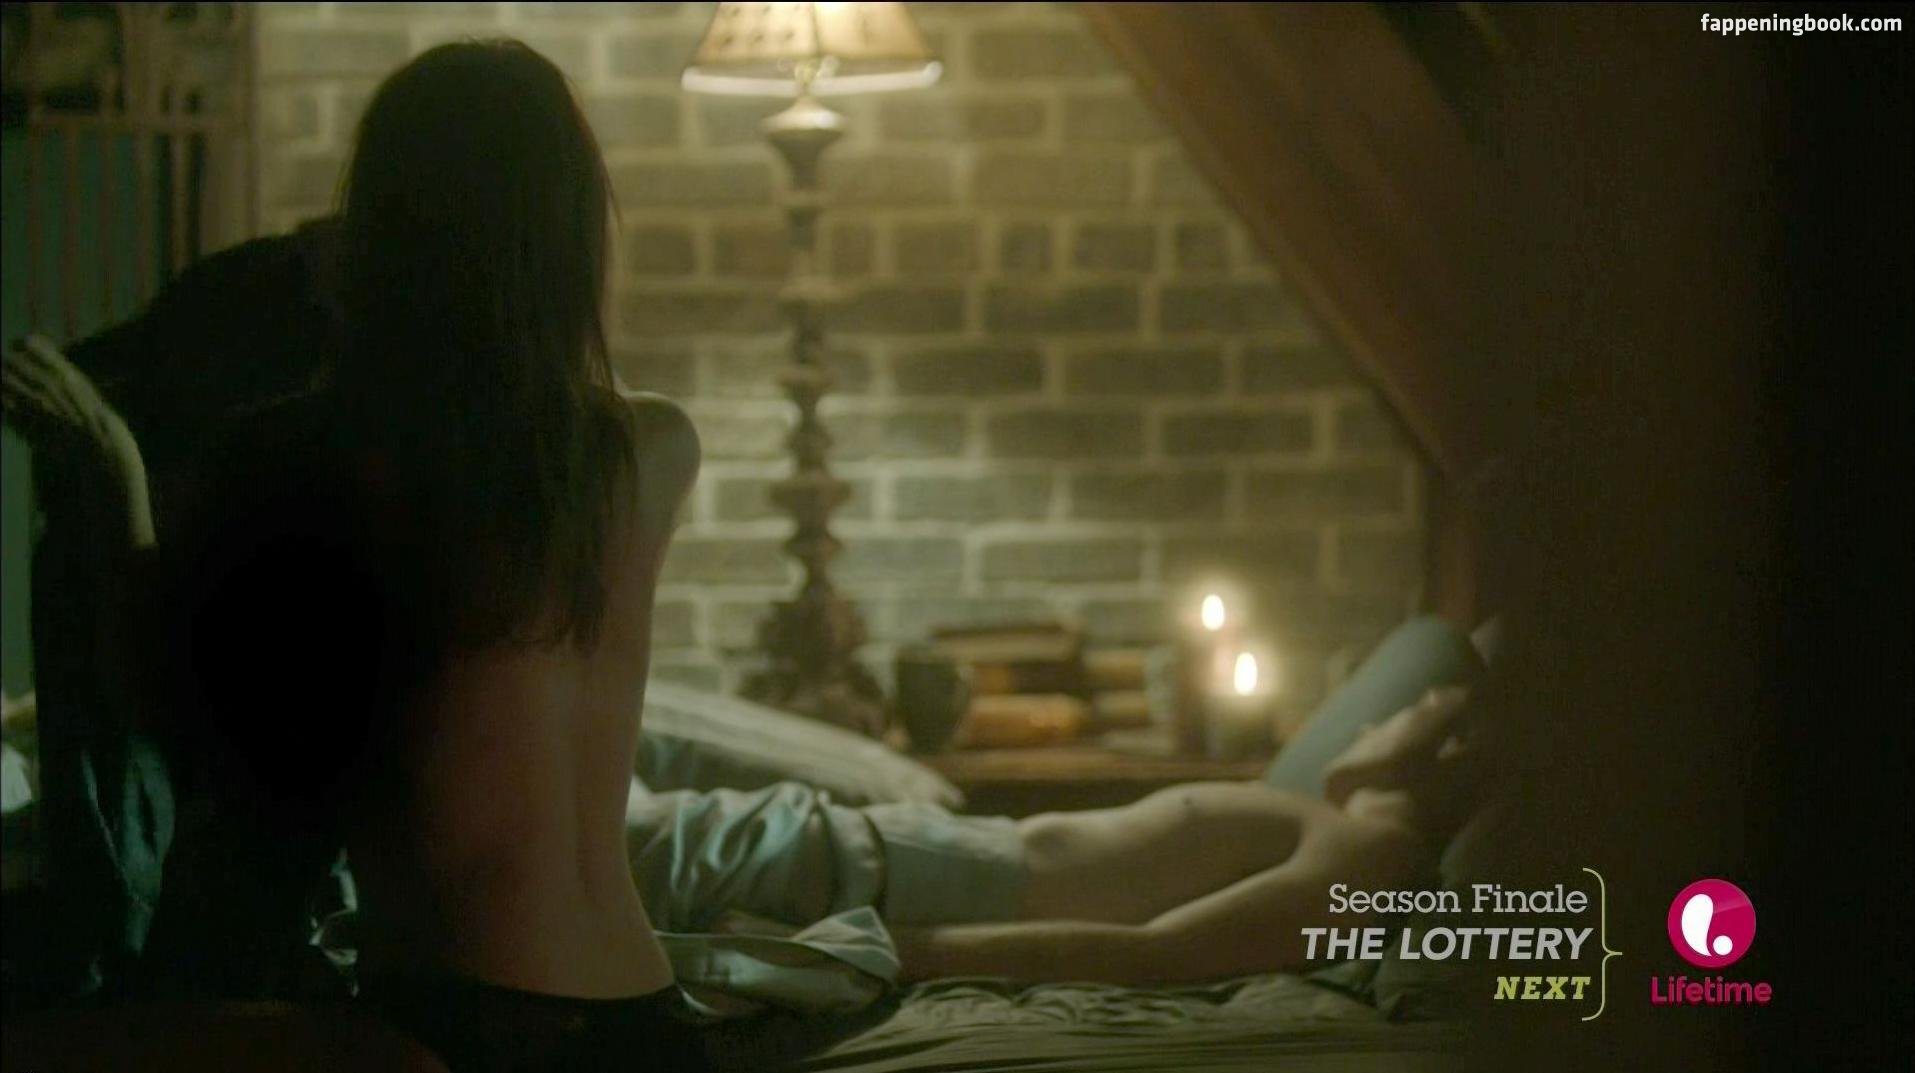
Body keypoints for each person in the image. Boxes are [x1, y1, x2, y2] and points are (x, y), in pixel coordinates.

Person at [6, 39, 708, 1073]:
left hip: (465, 1024)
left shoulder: (317, 452)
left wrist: (109, 463)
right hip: (649, 1022)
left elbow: (163, 700)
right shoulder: (654, 450)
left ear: (385, 230)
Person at [625, 684, 1485, 988]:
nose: (1372, 718)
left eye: (1410, 709)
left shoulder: (1370, 855)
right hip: (901, 857)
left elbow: (1162, 951)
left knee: (636, 837)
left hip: (889, 880)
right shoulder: (1343, 828)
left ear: (1440, 748)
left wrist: (895, 950)